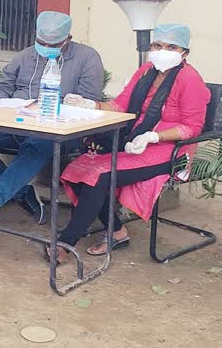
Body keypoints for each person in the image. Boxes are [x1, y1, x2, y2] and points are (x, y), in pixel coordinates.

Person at [50, 24, 210, 262]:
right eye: (157, 45)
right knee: (77, 168)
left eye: (171, 47)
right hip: (132, 142)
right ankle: (116, 232)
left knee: (99, 174)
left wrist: (154, 136)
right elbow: (121, 104)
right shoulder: (147, 71)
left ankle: (66, 242)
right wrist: (89, 104)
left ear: (184, 52)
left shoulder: (190, 79)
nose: (162, 51)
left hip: (170, 151)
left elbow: (191, 128)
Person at [0, 11, 105, 227]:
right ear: (35, 35)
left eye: (54, 43)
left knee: (38, 146)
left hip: (58, 128)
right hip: (15, 122)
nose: (46, 46)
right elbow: (4, 85)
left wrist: (71, 103)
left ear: (68, 38)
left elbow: (89, 100)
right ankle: (22, 193)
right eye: (41, 41)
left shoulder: (87, 58)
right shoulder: (25, 55)